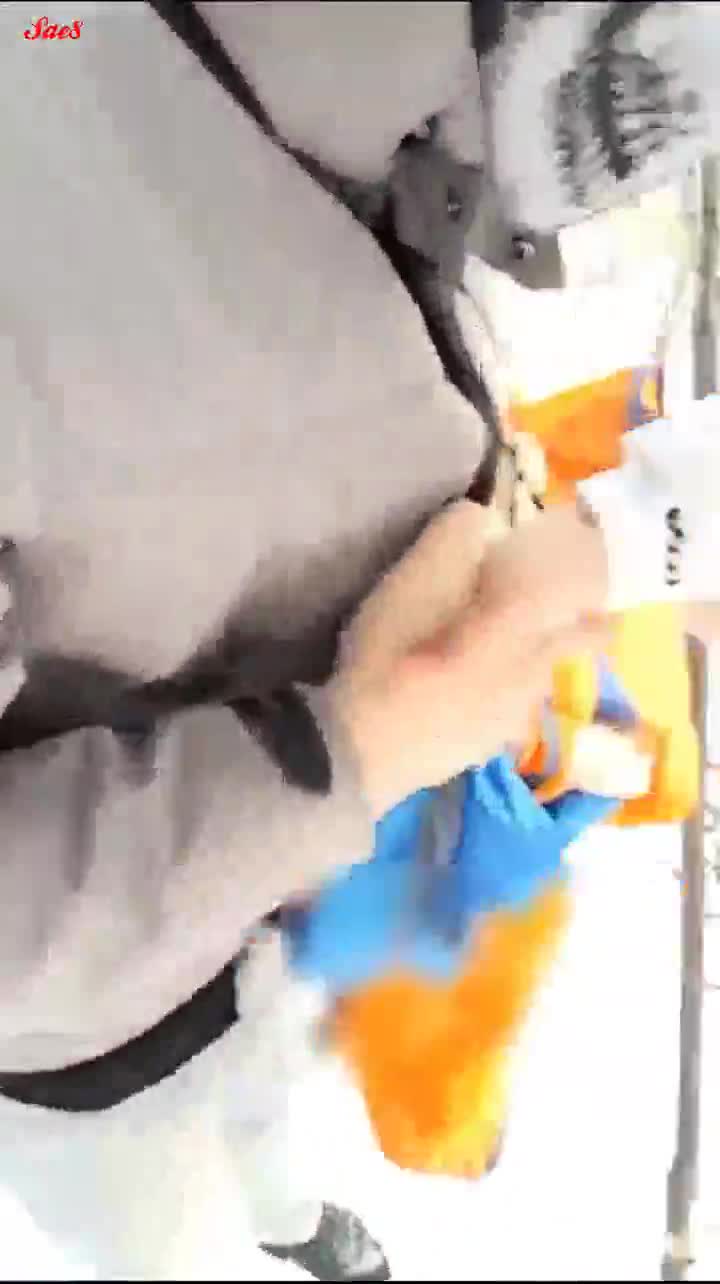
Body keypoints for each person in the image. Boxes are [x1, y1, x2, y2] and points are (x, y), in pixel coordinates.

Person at [1, 0, 720, 1277]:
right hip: (94, 1046)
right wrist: (344, 749)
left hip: (291, 899)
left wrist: (626, 535)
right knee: (165, 1239)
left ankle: (294, 1219)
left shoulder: (383, 92)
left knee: (273, 1101)